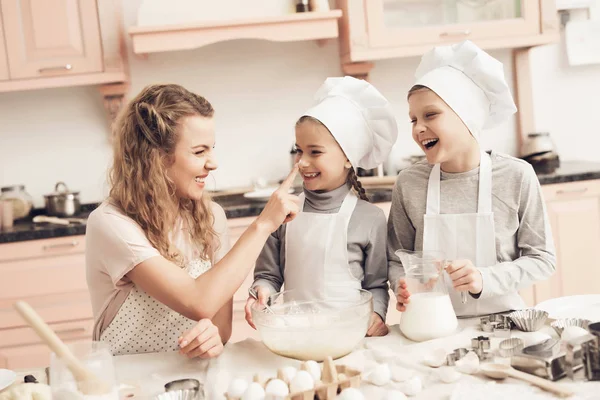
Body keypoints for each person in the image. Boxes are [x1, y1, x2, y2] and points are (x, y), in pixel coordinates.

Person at [86, 84, 299, 358]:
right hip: (128, 382)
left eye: (211, 149)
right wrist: (263, 224)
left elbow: (221, 328)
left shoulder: (211, 217)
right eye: (199, 152)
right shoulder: (111, 224)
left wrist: (212, 338)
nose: (213, 163)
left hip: (191, 378)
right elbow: (198, 300)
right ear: (156, 158)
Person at [388, 40, 556, 317]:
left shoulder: (516, 176)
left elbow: (542, 259)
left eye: (430, 114)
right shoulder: (409, 183)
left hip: (503, 324)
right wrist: (401, 285)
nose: (418, 128)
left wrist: (484, 279)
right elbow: (396, 258)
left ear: (468, 116)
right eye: (413, 119)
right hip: (429, 325)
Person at [245, 76, 398, 336]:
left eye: (315, 152)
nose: (302, 162)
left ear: (348, 158)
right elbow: (269, 276)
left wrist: (376, 314)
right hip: (296, 336)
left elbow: (376, 285)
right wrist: (262, 291)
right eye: (299, 150)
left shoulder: (369, 219)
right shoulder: (282, 212)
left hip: (351, 337)